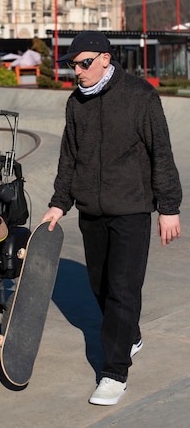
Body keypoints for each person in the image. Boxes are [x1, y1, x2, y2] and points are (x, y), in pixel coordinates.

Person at [41, 31, 182, 406]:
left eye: (84, 63)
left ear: (105, 58)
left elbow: (161, 152)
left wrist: (168, 207)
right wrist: (60, 203)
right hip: (92, 212)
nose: (78, 71)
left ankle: (114, 372)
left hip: (133, 210)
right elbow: (69, 157)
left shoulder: (140, 96)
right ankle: (130, 335)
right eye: (73, 65)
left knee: (123, 290)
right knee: (100, 285)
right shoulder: (77, 103)